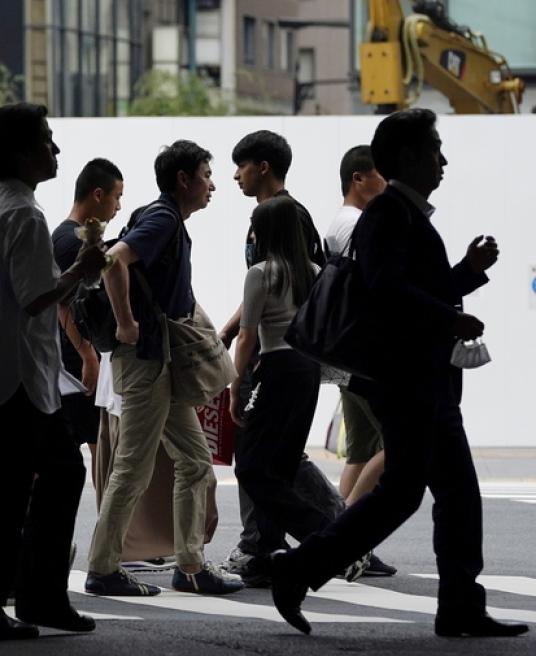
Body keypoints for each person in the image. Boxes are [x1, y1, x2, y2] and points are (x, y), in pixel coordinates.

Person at [255, 108, 528, 639]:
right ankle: (450, 604)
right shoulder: (389, 214)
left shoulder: (403, 214)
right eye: (433, 148)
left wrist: (467, 276)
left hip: (416, 380)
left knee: (421, 493)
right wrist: (449, 312)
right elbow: (387, 291)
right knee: (435, 493)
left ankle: (452, 605)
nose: (443, 159)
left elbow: (408, 290)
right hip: (409, 381)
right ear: (406, 156)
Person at [0, 102, 105, 640]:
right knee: (14, 492)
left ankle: (34, 597)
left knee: (48, 476)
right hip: (21, 376)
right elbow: (37, 297)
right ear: (20, 151)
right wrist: (82, 270)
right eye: (46, 139)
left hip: (3, 373)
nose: (54, 149)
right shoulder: (23, 212)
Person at [85, 140, 243, 598]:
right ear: (184, 179)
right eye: (207, 175)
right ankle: (102, 568)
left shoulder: (163, 218)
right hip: (147, 361)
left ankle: (190, 564)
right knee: (132, 467)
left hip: (159, 362)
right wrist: (126, 324)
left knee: (195, 462)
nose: (213, 185)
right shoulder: (162, 218)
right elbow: (114, 259)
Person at [219, 129, 347, 580]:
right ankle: (277, 544)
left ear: (264, 167)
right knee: (276, 459)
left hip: (276, 358)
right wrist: (231, 330)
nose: (235, 175)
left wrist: (240, 352)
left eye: (242, 165)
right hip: (289, 360)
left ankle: (320, 533)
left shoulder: (289, 216)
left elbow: (292, 296)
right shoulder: (267, 218)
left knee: (263, 460)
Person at [229, 196, 335, 565]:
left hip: (276, 368)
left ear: (267, 232)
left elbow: (246, 336)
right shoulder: (314, 271)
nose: (253, 235)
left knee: (252, 466)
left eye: (256, 227)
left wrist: (233, 387)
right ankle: (270, 549)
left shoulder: (260, 273)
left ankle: (325, 536)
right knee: (284, 465)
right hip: (307, 371)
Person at [323, 146, 395, 579]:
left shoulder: (340, 222)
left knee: (362, 449)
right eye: (380, 176)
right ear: (359, 179)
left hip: (349, 353)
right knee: (397, 444)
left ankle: (337, 534)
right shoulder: (356, 224)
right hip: (366, 354)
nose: (386, 184)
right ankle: (347, 541)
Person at [52, 158, 123, 457]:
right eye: (116, 196)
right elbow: (63, 303)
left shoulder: (65, 236)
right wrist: (88, 356)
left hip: (75, 364)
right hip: (77, 367)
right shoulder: (72, 243)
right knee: (102, 452)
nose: (118, 206)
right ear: (98, 194)